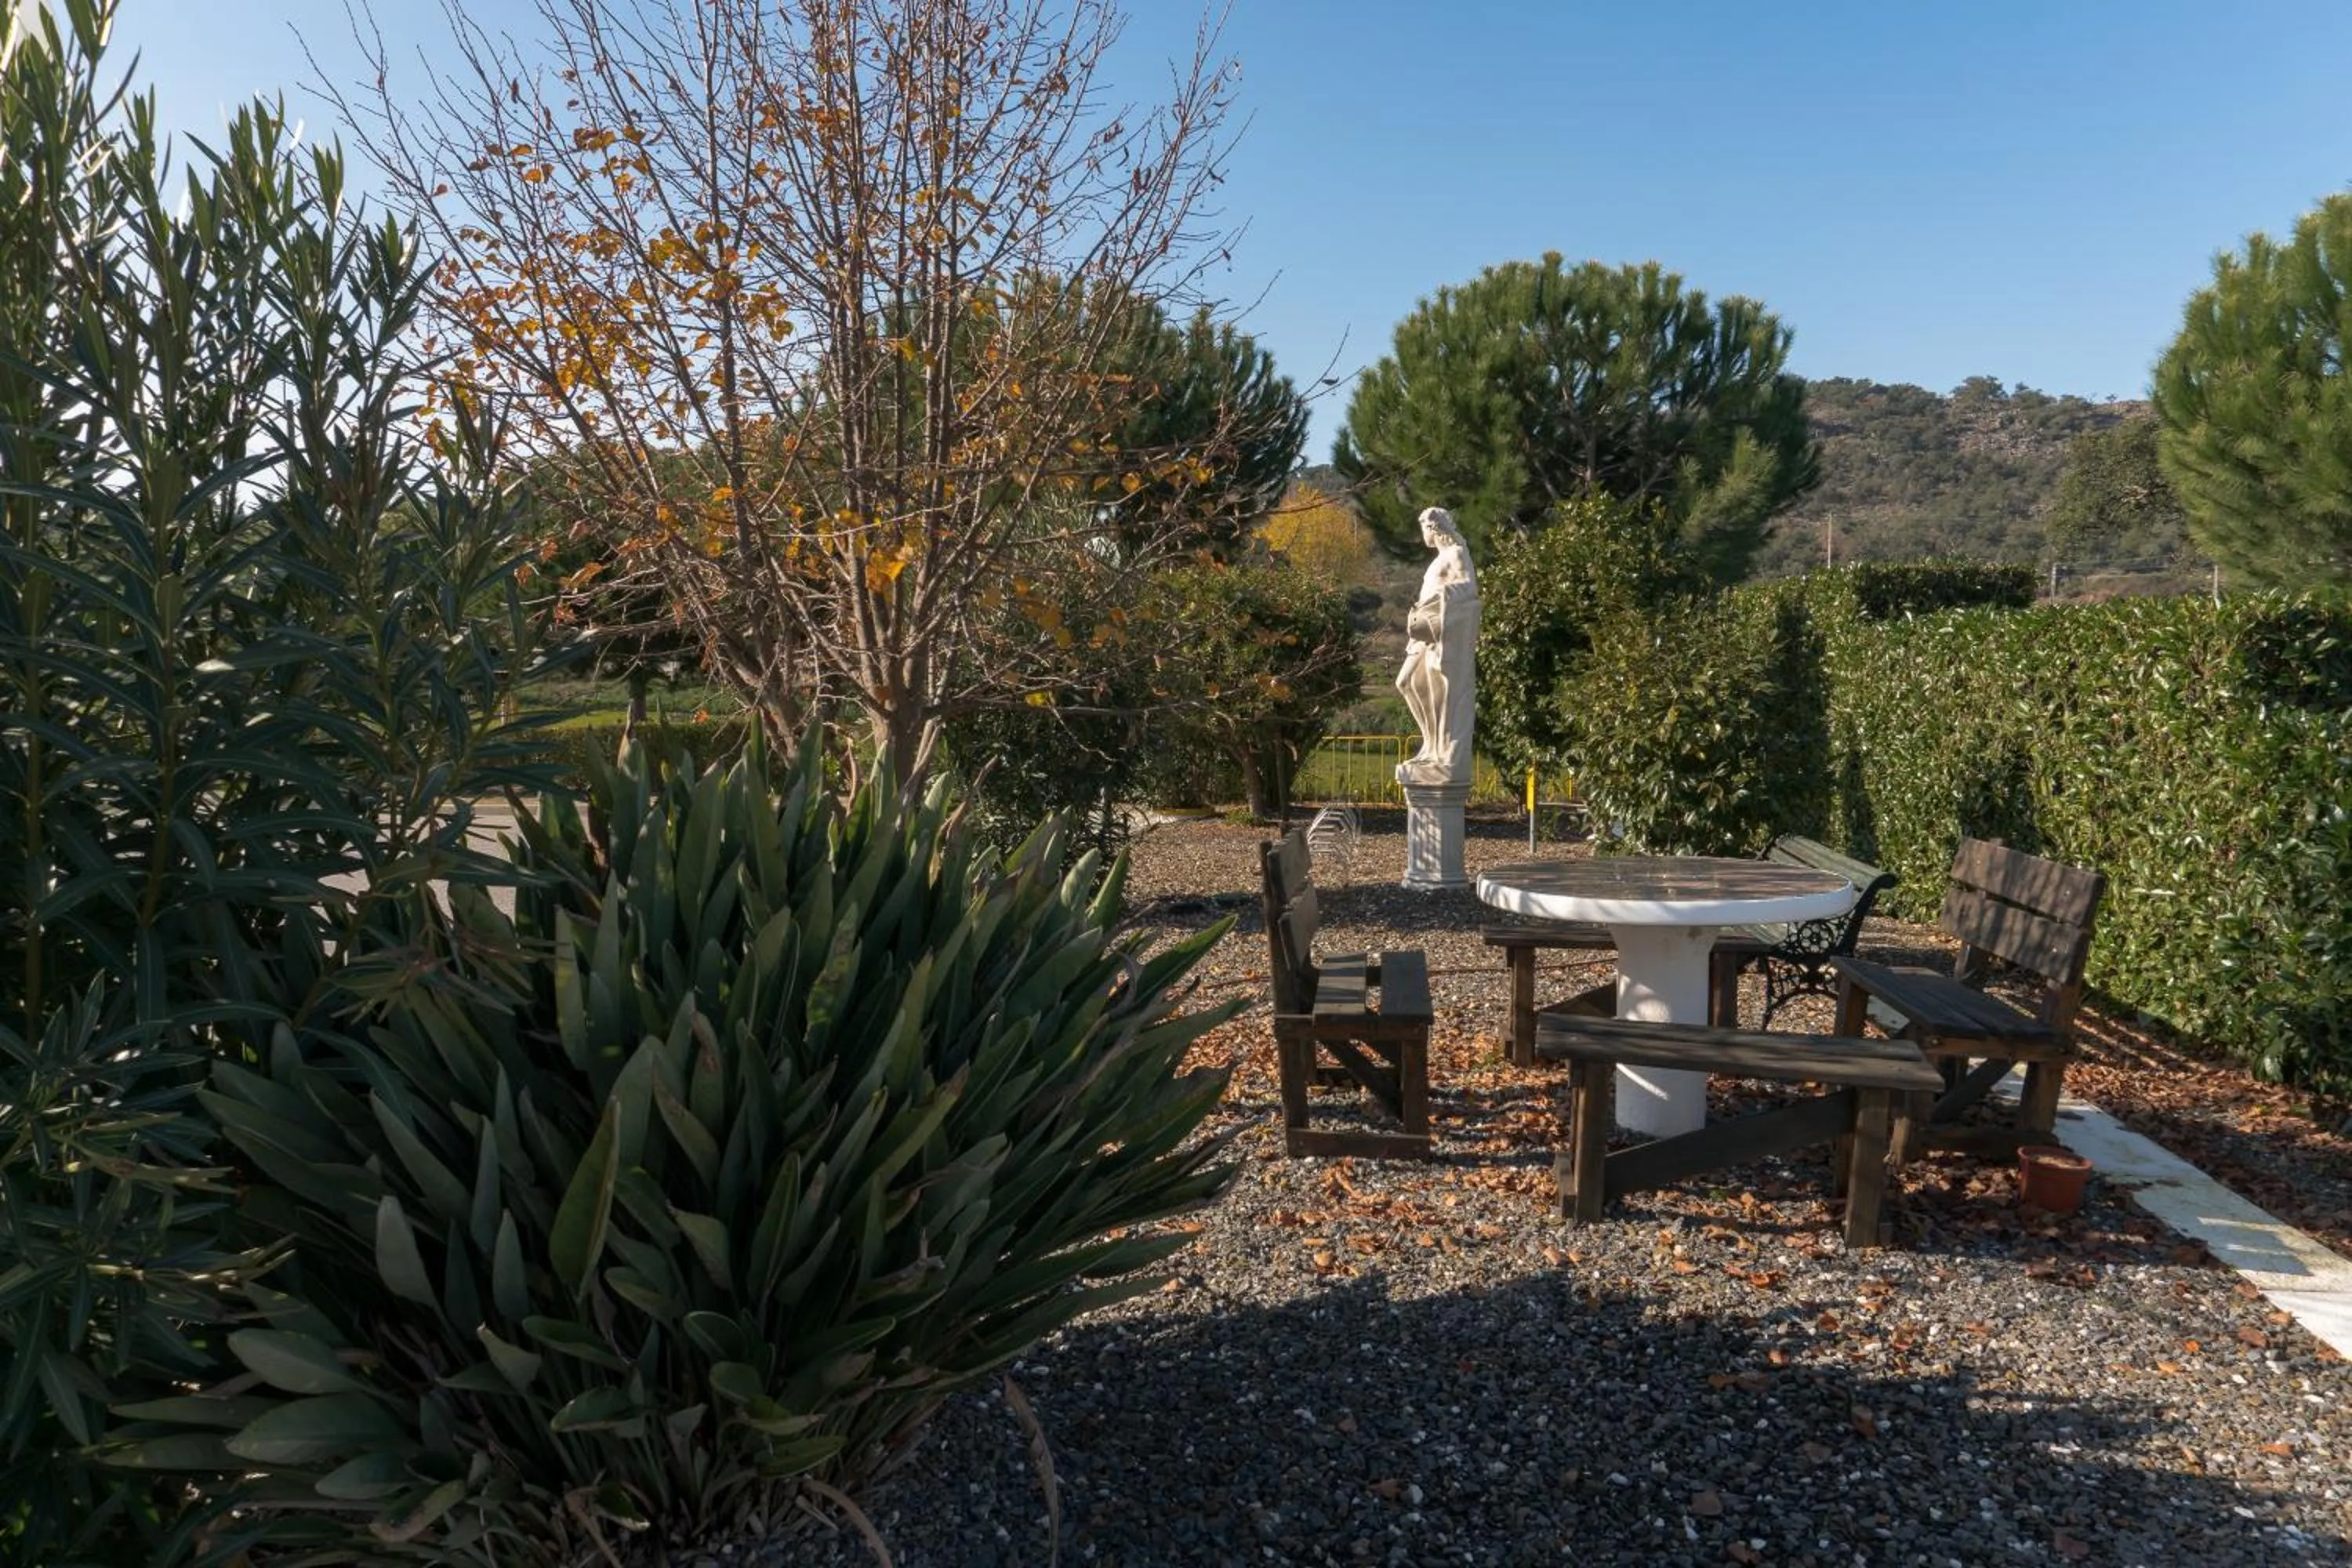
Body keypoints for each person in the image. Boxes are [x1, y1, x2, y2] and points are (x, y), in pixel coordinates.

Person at [1395, 506, 1479, 785]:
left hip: (1439, 633)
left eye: (1423, 529)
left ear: (1434, 528)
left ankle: (1437, 747)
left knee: (1432, 691)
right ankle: (1430, 743)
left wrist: (1443, 595)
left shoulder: (1456, 553)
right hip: (1423, 633)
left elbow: (1469, 588)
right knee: (1405, 683)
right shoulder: (1439, 559)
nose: (1422, 536)